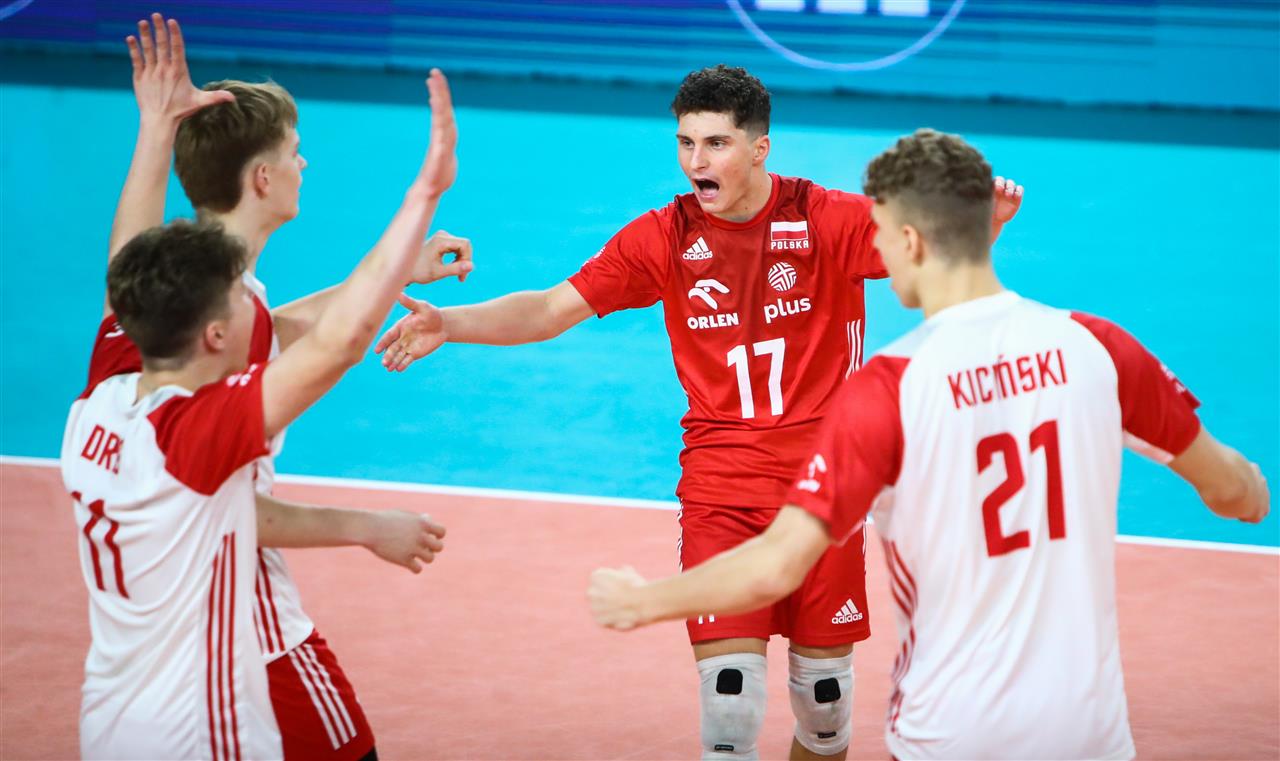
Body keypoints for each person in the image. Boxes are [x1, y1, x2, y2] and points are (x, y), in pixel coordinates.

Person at [375, 64, 1022, 760]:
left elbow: (930, 264)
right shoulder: (665, 236)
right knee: (730, 709)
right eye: (685, 143)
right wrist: (451, 323)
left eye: (716, 144)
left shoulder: (825, 218)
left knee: (826, 706)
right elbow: (550, 308)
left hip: (826, 489)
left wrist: (977, 232)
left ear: (759, 148)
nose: (696, 162)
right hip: (723, 489)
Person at [586, 128, 1271, 761]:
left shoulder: (889, 390)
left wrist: (645, 601)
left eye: (881, 235)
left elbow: (774, 565)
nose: (876, 252)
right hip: (1091, 737)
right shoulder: (1098, 346)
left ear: (911, 241)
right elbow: (1240, 494)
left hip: (949, 732)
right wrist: (1244, 487)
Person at [62, 20, 459, 757]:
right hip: (230, 654)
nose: (303, 161)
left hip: (112, 713)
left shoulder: (108, 388)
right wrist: (422, 197)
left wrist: (156, 127)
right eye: (292, 151)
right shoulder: (192, 429)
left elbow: (137, 275)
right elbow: (336, 346)